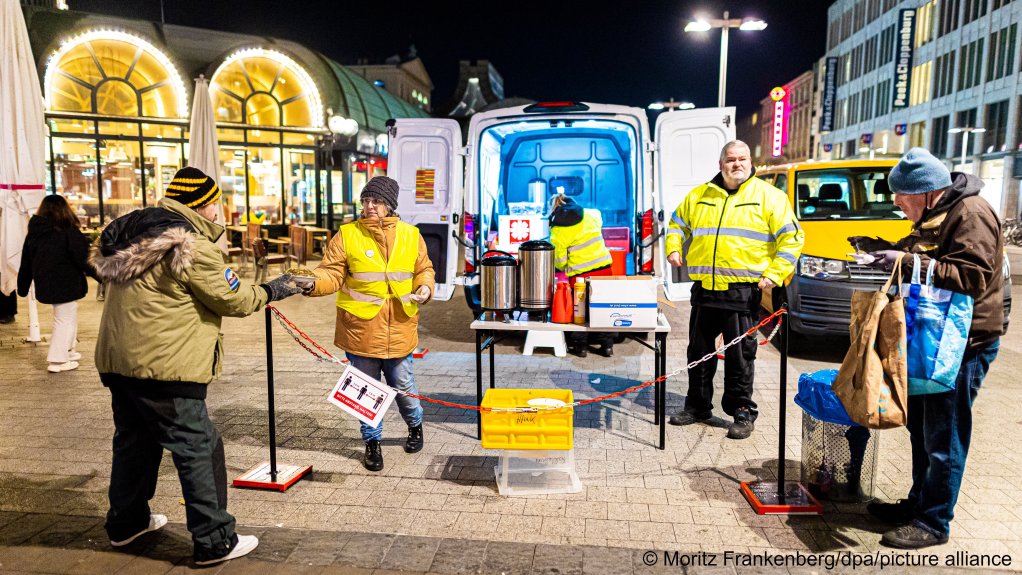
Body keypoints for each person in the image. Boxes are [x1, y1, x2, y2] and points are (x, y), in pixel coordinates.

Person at [89, 167, 303, 565]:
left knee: (134, 442)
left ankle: (126, 525)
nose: (219, 209)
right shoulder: (191, 244)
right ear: (203, 203)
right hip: (165, 366)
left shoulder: (133, 232)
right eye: (216, 201)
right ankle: (214, 541)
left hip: (120, 362)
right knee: (199, 448)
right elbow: (233, 299)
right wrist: (276, 289)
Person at [861, 148, 1003, 550]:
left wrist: (903, 261)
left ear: (926, 192)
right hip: (932, 338)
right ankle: (917, 504)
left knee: (945, 436)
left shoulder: (970, 213)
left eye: (900, 196)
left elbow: (971, 276)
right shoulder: (937, 213)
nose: (896, 203)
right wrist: (885, 247)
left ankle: (934, 522)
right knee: (922, 431)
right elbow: (929, 256)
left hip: (964, 344)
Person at [666, 140, 804, 440]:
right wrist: (673, 248)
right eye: (731, 159)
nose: (737, 164)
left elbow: (792, 240)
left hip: (742, 292)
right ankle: (697, 406)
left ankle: (741, 412)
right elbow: (676, 224)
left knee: (741, 356)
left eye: (742, 158)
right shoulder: (700, 195)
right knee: (698, 353)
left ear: (750, 162)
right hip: (704, 290)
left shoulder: (770, 197)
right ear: (721, 164)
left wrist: (774, 274)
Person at [303, 176, 435, 472]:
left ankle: (415, 425)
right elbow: (331, 273)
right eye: (366, 200)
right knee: (365, 390)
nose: (369, 206)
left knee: (403, 386)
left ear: (389, 205)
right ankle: (372, 442)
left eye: (375, 201)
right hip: (360, 329)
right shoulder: (347, 235)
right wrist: (311, 283)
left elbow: (423, 268)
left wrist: (425, 288)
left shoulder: (411, 234)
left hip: (400, 325)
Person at [16, 194, 96, 372]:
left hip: (45, 283)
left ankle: (69, 349)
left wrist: (22, 287)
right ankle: (58, 360)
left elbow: (26, 262)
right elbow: (84, 258)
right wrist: (103, 277)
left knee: (68, 314)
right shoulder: (68, 231)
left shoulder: (35, 233)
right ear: (64, 209)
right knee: (64, 318)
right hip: (66, 283)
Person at [548, 194, 615, 357]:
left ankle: (581, 347)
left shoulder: (557, 229)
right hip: (604, 271)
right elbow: (599, 223)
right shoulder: (592, 214)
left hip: (580, 278)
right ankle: (607, 346)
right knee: (602, 309)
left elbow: (560, 262)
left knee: (580, 313)